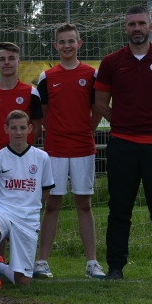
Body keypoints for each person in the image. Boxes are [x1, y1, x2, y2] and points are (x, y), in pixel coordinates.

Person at [94, 5, 152, 281]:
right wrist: (124, 124)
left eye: (142, 23)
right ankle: (115, 268)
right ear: (125, 28)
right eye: (132, 24)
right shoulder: (111, 62)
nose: (137, 28)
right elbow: (100, 103)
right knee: (119, 209)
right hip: (122, 144)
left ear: (151, 27)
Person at [35, 24, 105, 280]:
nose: (67, 46)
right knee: (52, 203)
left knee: (84, 203)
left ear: (79, 44)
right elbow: (43, 113)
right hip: (55, 149)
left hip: (83, 147)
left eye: (71, 41)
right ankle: (42, 261)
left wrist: (86, 130)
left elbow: (97, 109)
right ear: (56, 45)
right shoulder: (47, 77)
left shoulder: (91, 74)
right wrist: (56, 132)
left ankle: (92, 263)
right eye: (62, 42)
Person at [0, 110, 54, 291]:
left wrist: (30, 207)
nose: (18, 132)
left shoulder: (42, 157)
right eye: (14, 128)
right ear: (6, 129)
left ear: (30, 129)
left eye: (22, 128)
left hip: (28, 218)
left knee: (23, 281)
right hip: (4, 211)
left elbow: (46, 190)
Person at [0, 41, 43, 157]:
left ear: (19, 62)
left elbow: (37, 126)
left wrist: (24, 147)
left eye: (11, 58)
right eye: (2, 59)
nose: (7, 62)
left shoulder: (31, 92)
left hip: (24, 156)